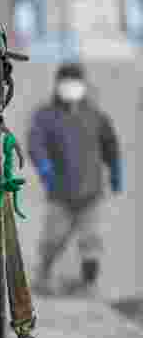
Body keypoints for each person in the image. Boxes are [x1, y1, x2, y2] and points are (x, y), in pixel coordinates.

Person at [28, 62, 123, 295]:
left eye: (74, 82)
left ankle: (89, 283)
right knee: (52, 239)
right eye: (66, 82)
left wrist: (116, 171)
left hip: (90, 192)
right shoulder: (46, 116)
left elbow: (110, 144)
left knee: (91, 240)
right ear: (58, 85)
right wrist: (44, 166)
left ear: (83, 85)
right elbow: (35, 142)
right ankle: (43, 276)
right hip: (59, 193)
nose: (70, 87)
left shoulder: (95, 116)